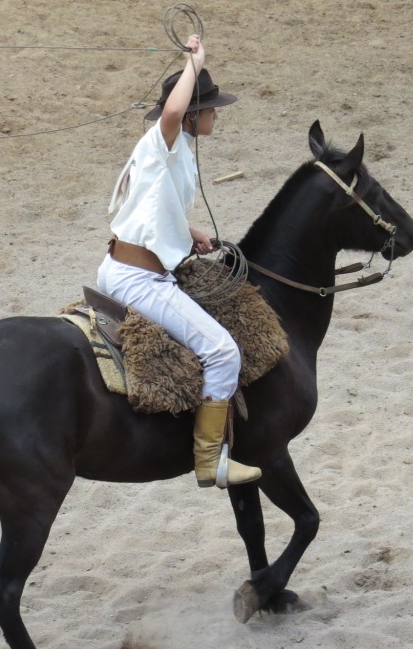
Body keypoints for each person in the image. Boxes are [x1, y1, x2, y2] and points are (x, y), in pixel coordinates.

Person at [97, 35, 261, 489]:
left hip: (119, 266)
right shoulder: (164, 138)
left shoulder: (174, 152)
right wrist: (196, 63)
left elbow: (149, 204)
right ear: (191, 114)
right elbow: (171, 113)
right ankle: (209, 460)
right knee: (223, 350)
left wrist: (190, 232)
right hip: (139, 280)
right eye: (209, 108)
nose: (215, 115)